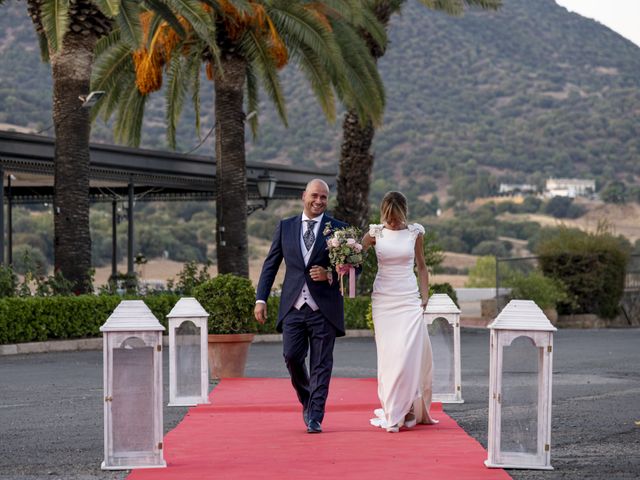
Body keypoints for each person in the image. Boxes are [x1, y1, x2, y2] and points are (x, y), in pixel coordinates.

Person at [254, 179, 348, 434]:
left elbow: (355, 267)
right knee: (292, 357)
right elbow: (271, 264)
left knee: (321, 364)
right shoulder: (285, 227)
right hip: (293, 307)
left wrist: (329, 274)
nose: (319, 201)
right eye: (315, 196)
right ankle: (307, 399)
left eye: (324, 198)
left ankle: (315, 415)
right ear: (303, 195)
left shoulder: (339, 229)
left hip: (325, 309)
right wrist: (260, 298)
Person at [362, 191, 438, 433]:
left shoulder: (415, 233)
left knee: (407, 354)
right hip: (383, 300)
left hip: (408, 300)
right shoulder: (375, 233)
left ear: (404, 213)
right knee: (389, 356)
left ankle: (408, 405)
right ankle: (396, 407)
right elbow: (355, 259)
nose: (391, 222)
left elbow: (422, 267)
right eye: (388, 218)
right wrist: (345, 254)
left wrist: (425, 298)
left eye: (395, 218)